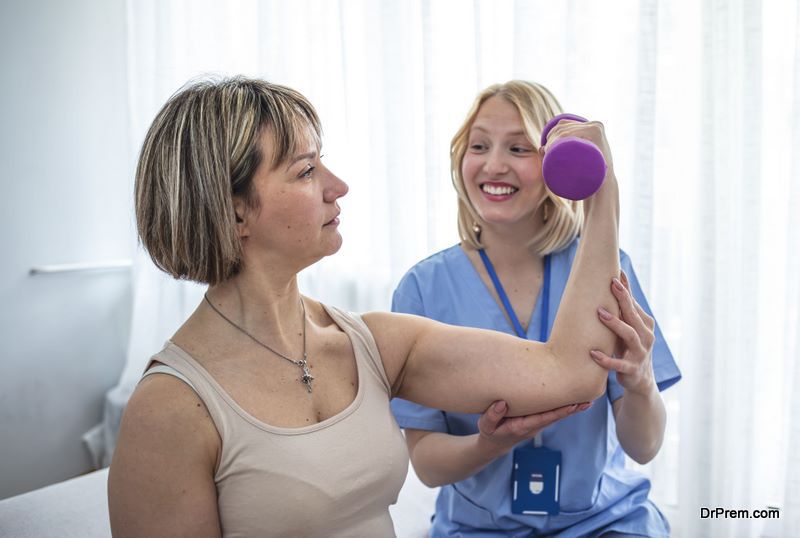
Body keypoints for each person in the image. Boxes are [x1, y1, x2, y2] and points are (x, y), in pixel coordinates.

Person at [107, 76, 623, 537]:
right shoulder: (169, 409)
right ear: (235, 210)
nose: (338, 187)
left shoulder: (376, 344)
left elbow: (572, 372)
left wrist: (602, 195)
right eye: (307, 171)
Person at [390, 80, 682, 537]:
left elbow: (643, 447)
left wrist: (641, 381)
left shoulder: (606, 268)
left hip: (603, 521)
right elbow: (427, 463)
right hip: (480, 528)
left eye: (519, 148)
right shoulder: (423, 288)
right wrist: (491, 443)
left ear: (555, 166)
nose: (494, 165)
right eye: (479, 145)